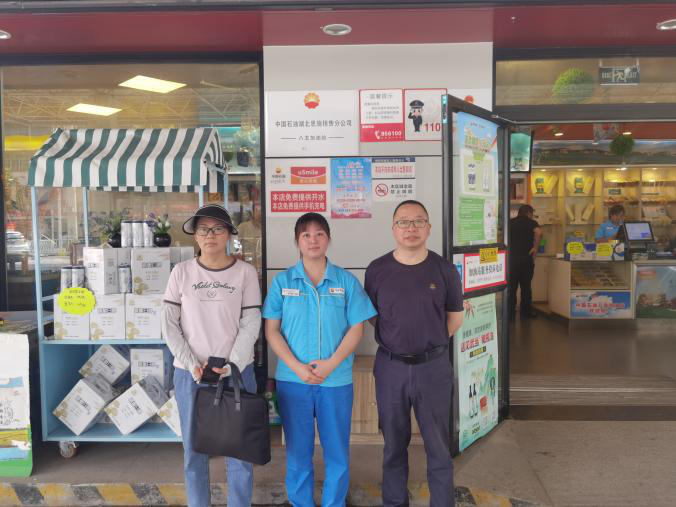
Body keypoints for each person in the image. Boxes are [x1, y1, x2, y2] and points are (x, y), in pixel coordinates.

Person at [263, 212, 376, 507]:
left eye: (319, 234)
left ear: (328, 239)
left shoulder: (346, 281)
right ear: (297, 241)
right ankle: (301, 503)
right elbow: (271, 330)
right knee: (298, 453)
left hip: (335, 381)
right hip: (293, 381)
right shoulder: (282, 282)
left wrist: (331, 363)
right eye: (306, 235)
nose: (312, 240)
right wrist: (297, 367)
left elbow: (357, 328)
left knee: (337, 452)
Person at [364, 200, 464, 507]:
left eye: (418, 221)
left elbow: (455, 318)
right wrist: (400, 339)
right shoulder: (377, 269)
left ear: (429, 228)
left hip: (433, 368)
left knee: (438, 447)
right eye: (404, 222)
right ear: (393, 228)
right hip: (390, 368)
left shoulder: (445, 269)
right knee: (393, 446)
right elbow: (373, 316)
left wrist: (428, 343)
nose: (411, 228)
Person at [162, 204, 262, 507]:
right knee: (194, 451)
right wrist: (191, 363)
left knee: (239, 451)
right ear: (195, 236)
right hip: (190, 374)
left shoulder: (245, 273)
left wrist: (232, 364)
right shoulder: (181, 272)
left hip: (236, 373)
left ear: (229, 234)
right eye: (203, 229)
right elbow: (169, 324)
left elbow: (251, 322)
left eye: (218, 228)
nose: (210, 235)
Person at [508, 204, 542, 320]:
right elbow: (539, 232)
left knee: (511, 287)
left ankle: (510, 313)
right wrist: (535, 248)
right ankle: (526, 312)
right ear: (529, 213)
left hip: (511, 259)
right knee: (526, 286)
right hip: (526, 259)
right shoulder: (532, 223)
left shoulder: (510, 222)